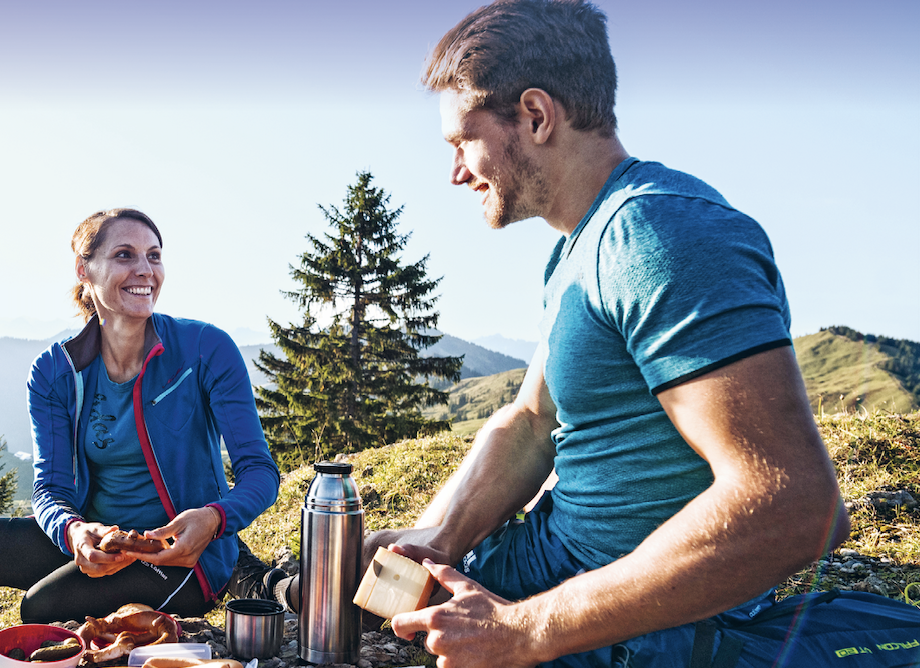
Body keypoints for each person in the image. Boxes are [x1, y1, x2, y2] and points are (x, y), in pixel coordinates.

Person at [364, 2, 853, 666]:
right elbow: (532, 421)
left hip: (621, 629)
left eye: (461, 141)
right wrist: (442, 536)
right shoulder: (580, 247)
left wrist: (525, 631)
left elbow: (794, 504)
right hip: (541, 575)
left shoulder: (661, 236)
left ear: (535, 115)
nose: (455, 171)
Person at [0, 208, 285, 667]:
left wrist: (214, 518)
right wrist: (74, 531)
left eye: (154, 256)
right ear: (84, 269)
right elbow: (50, 490)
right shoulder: (55, 371)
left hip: (178, 558)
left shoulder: (205, 349)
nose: (145, 270)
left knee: (41, 607)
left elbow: (260, 473)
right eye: (125, 255)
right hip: (101, 539)